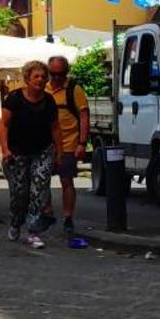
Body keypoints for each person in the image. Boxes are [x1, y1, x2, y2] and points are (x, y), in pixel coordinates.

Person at [0, 61, 64, 249]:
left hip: (42, 150)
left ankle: (33, 231)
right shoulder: (14, 98)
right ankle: (16, 222)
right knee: (20, 193)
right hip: (18, 151)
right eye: (36, 76)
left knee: (39, 190)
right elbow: (4, 125)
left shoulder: (49, 101)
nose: (41, 80)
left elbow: (55, 128)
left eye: (44, 77)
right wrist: (5, 149)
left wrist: (60, 152)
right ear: (27, 79)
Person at [44, 55, 90, 235]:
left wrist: (82, 143)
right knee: (42, 180)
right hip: (47, 143)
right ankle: (47, 212)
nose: (56, 78)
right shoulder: (44, 89)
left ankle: (68, 217)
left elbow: (84, 116)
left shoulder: (74, 90)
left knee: (66, 181)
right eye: (52, 74)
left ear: (66, 72)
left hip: (69, 143)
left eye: (60, 74)